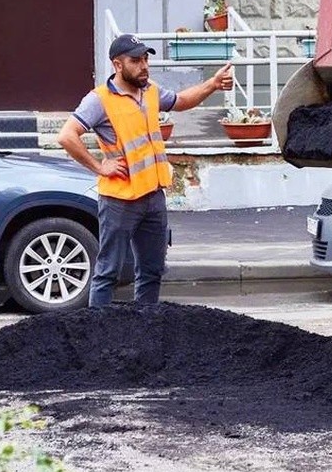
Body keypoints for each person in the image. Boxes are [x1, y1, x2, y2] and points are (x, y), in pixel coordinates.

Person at [58, 34, 234, 307]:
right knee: (107, 274)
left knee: (152, 272)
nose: (144, 66)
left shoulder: (149, 90)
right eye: (136, 60)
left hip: (153, 197)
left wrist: (211, 84)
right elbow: (67, 136)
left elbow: (180, 101)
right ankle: (98, 337)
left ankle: (145, 331)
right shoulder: (99, 99)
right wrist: (99, 166)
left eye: (146, 59)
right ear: (118, 64)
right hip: (119, 201)